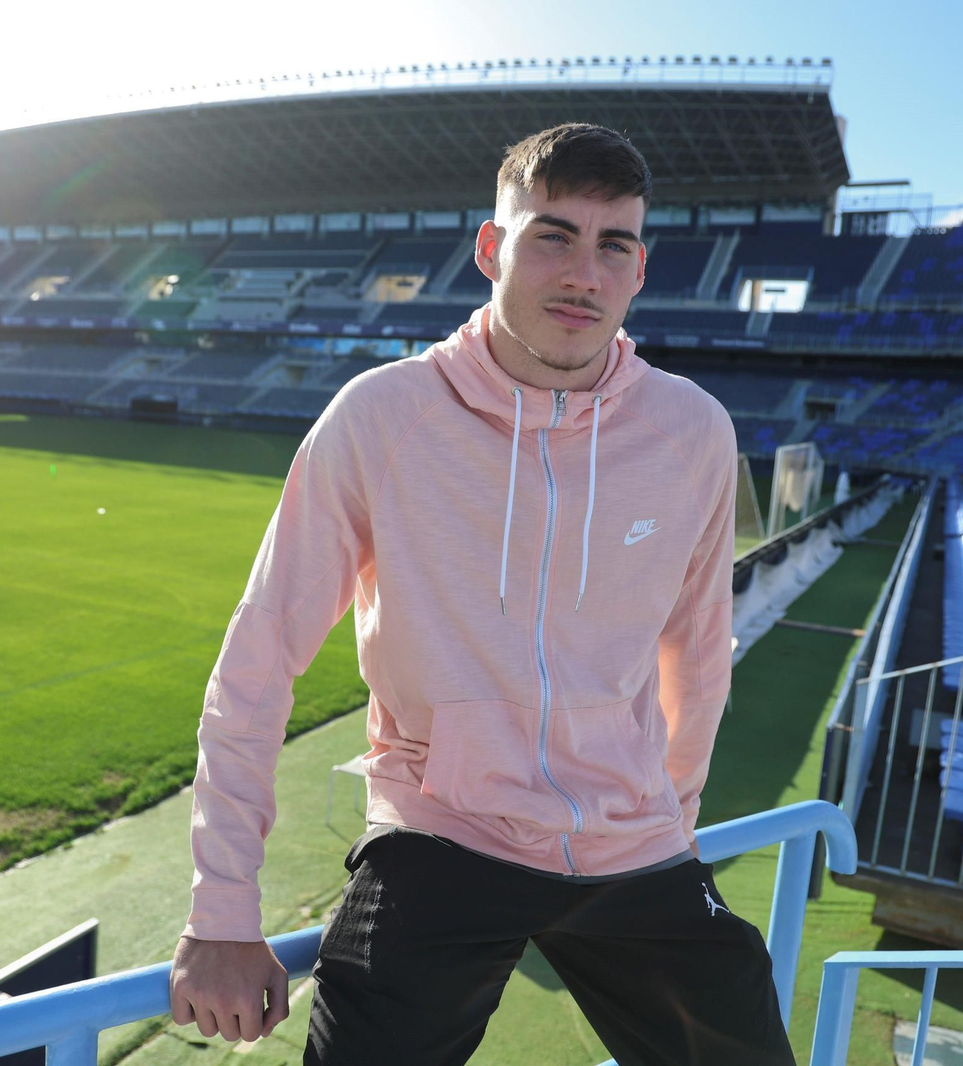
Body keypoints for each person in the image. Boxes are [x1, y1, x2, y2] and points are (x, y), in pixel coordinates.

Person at [168, 123, 794, 1065]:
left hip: (630, 839)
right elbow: (258, 659)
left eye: (611, 244)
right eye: (552, 235)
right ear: (491, 249)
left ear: (640, 269)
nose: (583, 273)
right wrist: (222, 912)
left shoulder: (693, 431)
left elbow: (696, 655)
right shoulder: (382, 417)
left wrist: (673, 821)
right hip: (442, 829)